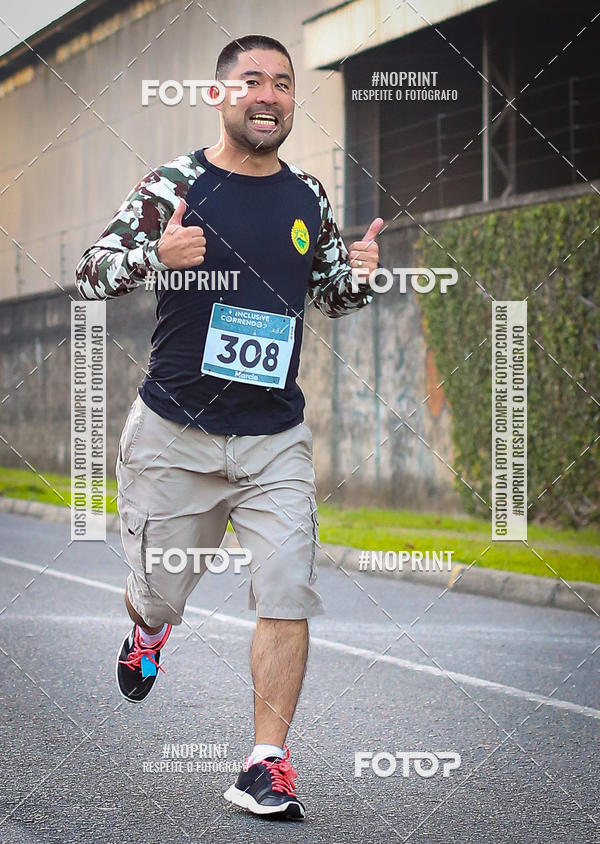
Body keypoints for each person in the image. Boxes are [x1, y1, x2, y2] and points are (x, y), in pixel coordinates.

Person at [76, 34, 382, 821]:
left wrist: (360, 278)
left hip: (274, 435)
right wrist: (157, 252)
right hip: (174, 431)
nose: (270, 95)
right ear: (220, 96)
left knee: (285, 588)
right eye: (253, 82)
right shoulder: (176, 181)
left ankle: (265, 764)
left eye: (282, 83)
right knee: (159, 593)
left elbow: (331, 298)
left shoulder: (307, 195)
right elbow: (89, 271)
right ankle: (145, 630)